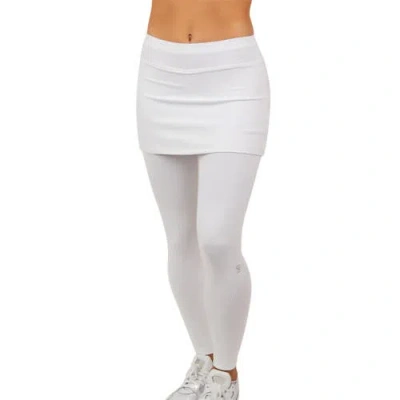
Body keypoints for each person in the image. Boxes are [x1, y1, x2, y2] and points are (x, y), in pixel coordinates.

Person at [135, 1, 270, 398]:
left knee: (218, 239)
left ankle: (225, 375)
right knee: (180, 238)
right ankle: (205, 358)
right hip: (160, 73)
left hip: (233, 78)